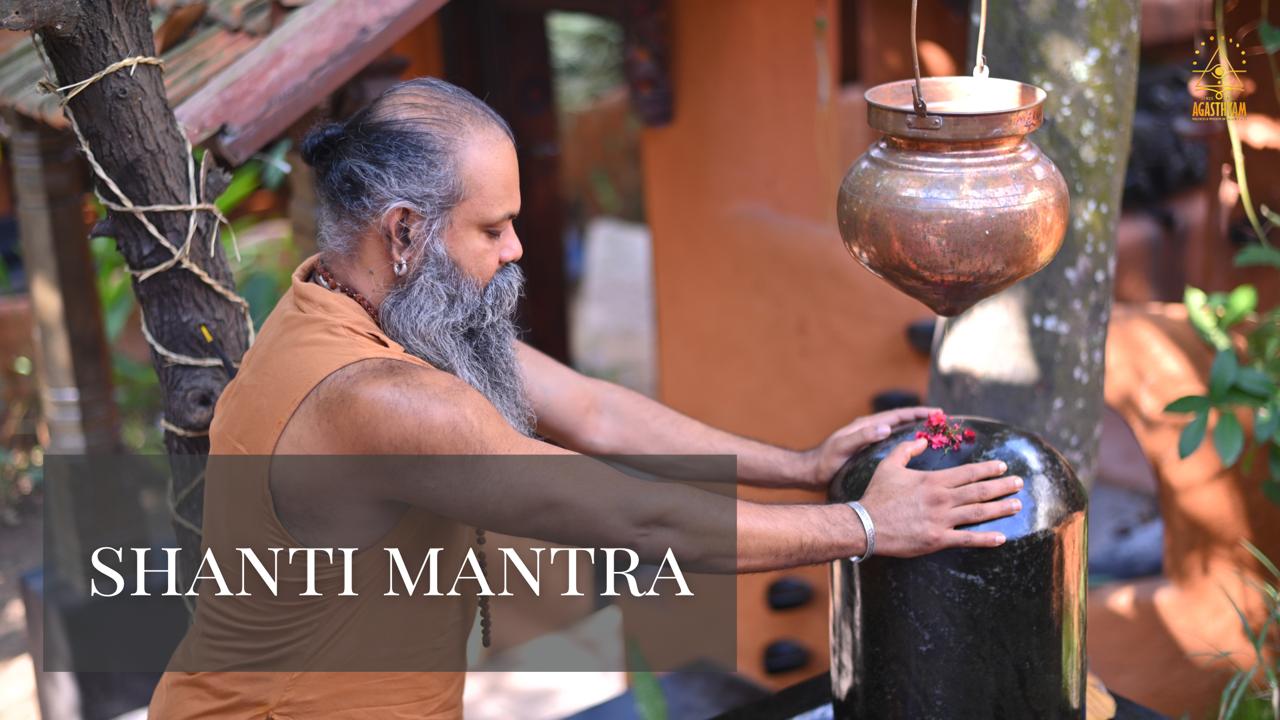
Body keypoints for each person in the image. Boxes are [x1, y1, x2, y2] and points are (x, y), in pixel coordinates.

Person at [148, 78, 1021, 719]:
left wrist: (803, 466)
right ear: (405, 230)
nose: (517, 250)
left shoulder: (344, 302)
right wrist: (867, 526)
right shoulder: (380, 397)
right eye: (493, 227)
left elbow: (598, 412)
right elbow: (638, 520)